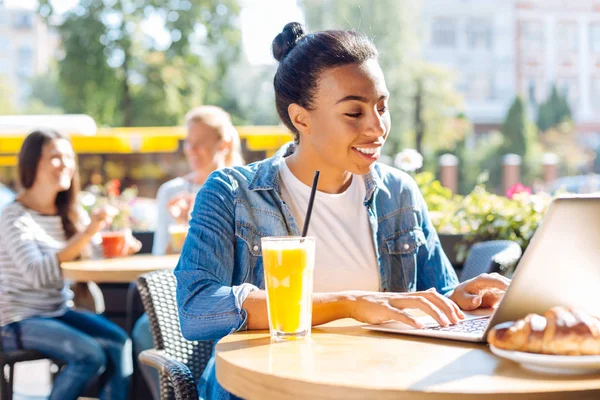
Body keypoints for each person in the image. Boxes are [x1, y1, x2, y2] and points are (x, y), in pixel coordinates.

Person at [175, 22, 511, 400]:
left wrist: (458, 299)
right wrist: (347, 303)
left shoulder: (397, 193)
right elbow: (196, 307)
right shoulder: (232, 194)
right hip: (266, 390)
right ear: (301, 118)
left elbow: (435, 291)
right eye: (354, 113)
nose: (377, 127)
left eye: (382, 107)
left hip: (379, 384)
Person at [0, 130, 140, 400]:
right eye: (55, 157)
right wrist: (87, 232)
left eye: (68, 156)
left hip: (58, 310)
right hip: (18, 319)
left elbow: (90, 255)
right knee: (89, 355)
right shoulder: (14, 216)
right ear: (32, 164)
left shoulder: (69, 211)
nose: (65, 164)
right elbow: (37, 275)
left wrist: (119, 247)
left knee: (119, 342)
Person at [132, 106, 244, 400]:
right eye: (188, 142)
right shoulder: (172, 192)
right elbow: (160, 255)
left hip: (232, 294)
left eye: (200, 143)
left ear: (224, 145)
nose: (191, 150)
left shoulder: (242, 189)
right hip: (182, 291)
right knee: (145, 330)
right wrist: (189, 229)